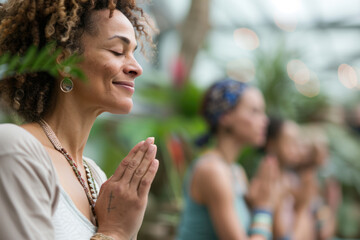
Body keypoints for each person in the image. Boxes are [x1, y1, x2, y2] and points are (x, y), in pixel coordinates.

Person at [0, 1, 159, 240]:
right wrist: (114, 232)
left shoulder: (96, 177)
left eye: (133, 53)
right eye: (117, 51)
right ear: (65, 61)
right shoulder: (15, 150)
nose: (137, 68)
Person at [177, 78, 281, 240]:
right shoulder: (212, 170)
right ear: (225, 116)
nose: (265, 120)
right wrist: (264, 208)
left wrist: (254, 202)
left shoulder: (236, 171)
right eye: (255, 111)